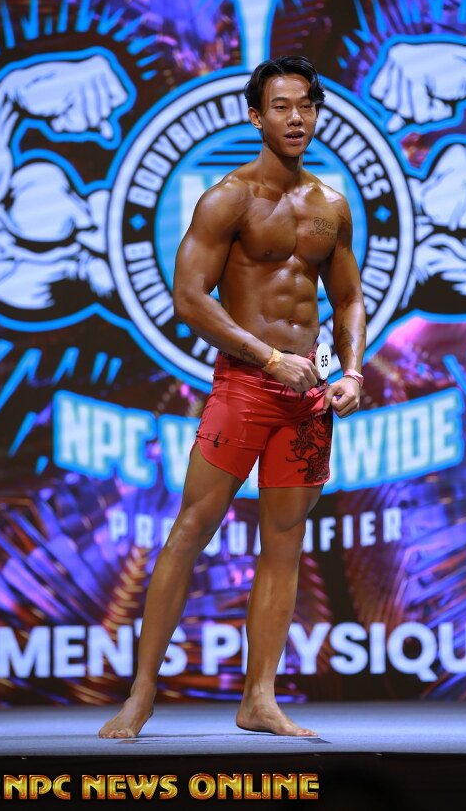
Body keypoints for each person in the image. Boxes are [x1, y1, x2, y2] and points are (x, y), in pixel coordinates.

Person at [99, 55, 366, 739]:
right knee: (192, 529)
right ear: (256, 116)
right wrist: (268, 357)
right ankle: (141, 695)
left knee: (285, 541)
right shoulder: (228, 198)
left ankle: (260, 699)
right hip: (245, 388)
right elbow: (189, 298)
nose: (296, 117)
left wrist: (350, 371)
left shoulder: (331, 206)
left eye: (306, 105)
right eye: (281, 106)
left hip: (306, 399)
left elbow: (348, 299)